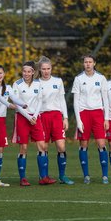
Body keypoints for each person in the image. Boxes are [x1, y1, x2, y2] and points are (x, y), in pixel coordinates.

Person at [12, 61, 57, 186]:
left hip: (35, 118)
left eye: (29, 71)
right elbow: (17, 104)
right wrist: (28, 116)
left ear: (33, 72)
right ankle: (23, 178)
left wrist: (35, 116)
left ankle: (43, 177)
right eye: (24, 71)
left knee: (42, 146)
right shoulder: (17, 84)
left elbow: (39, 101)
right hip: (22, 118)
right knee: (24, 148)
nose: (26, 74)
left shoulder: (38, 83)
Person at [0, 65, 26, 187]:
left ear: (4, 74)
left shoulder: (8, 87)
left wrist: (23, 104)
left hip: (1, 121)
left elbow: (14, 98)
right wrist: (9, 105)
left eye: (0, 73)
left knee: (0, 150)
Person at [71, 54, 110, 184]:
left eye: (90, 62)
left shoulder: (101, 78)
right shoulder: (78, 79)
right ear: (83, 64)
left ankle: (105, 175)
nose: (88, 64)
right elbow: (75, 102)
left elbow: (106, 99)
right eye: (85, 62)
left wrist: (106, 118)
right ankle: (86, 175)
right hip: (83, 114)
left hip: (98, 114)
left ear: (94, 63)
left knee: (101, 144)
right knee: (84, 144)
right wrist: (78, 120)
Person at [38, 56, 74, 185]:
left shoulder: (58, 81)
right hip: (42, 117)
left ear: (51, 69)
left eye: (48, 68)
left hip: (56, 116)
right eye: (43, 69)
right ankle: (44, 177)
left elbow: (61, 100)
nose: (46, 71)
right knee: (43, 147)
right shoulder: (36, 83)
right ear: (40, 70)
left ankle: (62, 176)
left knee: (61, 146)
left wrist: (65, 117)